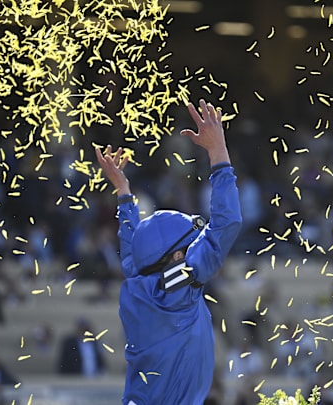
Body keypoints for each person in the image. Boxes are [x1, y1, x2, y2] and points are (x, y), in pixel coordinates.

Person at [95, 98, 242, 404]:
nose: (194, 249)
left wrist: (124, 193)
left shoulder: (135, 282)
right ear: (177, 257)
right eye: (189, 245)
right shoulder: (183, 282)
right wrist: (217, 151)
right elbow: (226, 224)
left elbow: (133, 247)